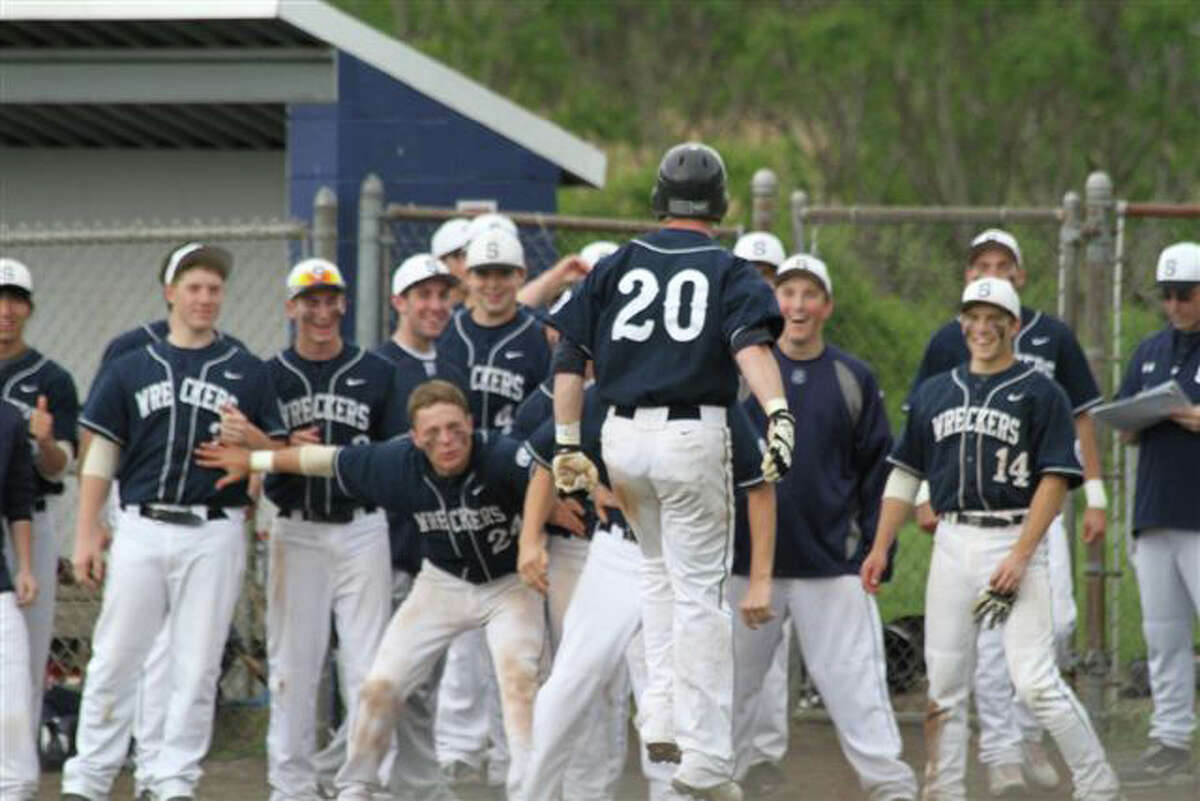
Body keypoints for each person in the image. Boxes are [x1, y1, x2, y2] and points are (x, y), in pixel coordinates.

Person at [549, 141, 793, 801]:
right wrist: (777, 410)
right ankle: (709, 756)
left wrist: (569, 441)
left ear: (659, 200)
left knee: (657, 574)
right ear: (721, 206)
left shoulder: (618, 262)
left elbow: (568, 353)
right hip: (692, 434)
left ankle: (658, 712)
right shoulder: (728, 268)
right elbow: (751, 346)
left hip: (621, 436)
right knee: (700, 597)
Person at [196, 379, 558, 801]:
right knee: (380, 686)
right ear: (414, 438)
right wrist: (256, 460)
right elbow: (322, 459)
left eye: (455, 428)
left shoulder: (496, 453)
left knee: (519, 686)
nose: (447, 441)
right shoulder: (397, 463)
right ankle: (357, 786)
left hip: (508, 585)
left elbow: (539, 471)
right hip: (443, 582)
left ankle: (531, 793)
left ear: (471, 424)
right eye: (433, 433)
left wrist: (540, 525)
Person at [861, 277, 1121, 801]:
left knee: (1035, 681)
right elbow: (905, 472)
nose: (982, 328)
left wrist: (1022, 556)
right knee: (946, 687)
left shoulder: (1042, 392)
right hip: (955, 542)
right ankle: (945, 790)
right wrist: (881, 543)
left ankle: (1099, 785)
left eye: (993, 318)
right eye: (973, 318)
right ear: (962, 324)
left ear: (1013, 327)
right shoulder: (936, 392)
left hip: (1014, 537)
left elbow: (1054, 479)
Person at [62, 243, 286, 801]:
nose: (206, 298)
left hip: (214, 527)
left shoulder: (247, 369)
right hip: (141, 523)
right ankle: (88, 779)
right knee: (116, 654)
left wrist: (251, 442)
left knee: (197, 663)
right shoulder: (131, 367)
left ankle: (172, 780)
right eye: (194, 287)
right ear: (170, 292)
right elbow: (101, 453)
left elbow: (273, 453)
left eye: (214, 288)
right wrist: (88, 530)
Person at [519, 383, 775, 801]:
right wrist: (531, 538)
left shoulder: (713, 396)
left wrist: (761, 578)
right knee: (569, 684)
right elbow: (550, 458)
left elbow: (760, 485)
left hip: (690, 564)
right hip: (618, 552)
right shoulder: (613, 386)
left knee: (675, 700)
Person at [731, 254, 917, 801]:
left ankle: (891, 787)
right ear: (774, 301)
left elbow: (875, 469)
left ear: (827, 306)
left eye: (810, 294)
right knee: (731, 687)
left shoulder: (851, 376)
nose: (797, 305)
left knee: (854, 684)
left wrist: (877, 546)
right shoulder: (747, 372)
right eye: (787, 293)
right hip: (749, 563)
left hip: (830, 562)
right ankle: (717, 782)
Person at [310, 252, 467, 801]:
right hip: (390, 545)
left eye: (441, 295)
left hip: (439, 547)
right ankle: (379, 778)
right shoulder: (378, 369)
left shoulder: (450, 367)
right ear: (398, 301)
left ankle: (348, 773)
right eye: (421, 295)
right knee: (390, 676)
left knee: (415, 680)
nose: (433, 305)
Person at [260, 258, 404, 801]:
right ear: (291, 307)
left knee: (367, 665)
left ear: (344, 304)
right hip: (295, 531)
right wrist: (281, 448)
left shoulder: (377, 373)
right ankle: (291, 784)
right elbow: (252, 451)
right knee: (293, 667)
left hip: (361, 529)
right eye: (309, 301)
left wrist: (330, 457)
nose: (321, 311)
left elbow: (395, 457)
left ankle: (365, 782)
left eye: (330, 300)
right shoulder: (268, 375)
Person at [436, 226, 552, 787]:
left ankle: (513, 757)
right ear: (467, 278)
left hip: (517, 490)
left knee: (520, 637)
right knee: (463, 626)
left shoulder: (535, 338)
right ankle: (459, 751)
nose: (493, 284)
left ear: (520, 277)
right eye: (483, 274)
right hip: (459, 489)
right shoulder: (452, 334)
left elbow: (541, 424)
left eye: (503, 273)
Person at [1113, 241, 1200, 788]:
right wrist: (1130, 419)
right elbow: (1122, 426)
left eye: (1185, 294)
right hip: (1155, 512)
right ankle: (1170, 740)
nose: (1174, 305)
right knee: (1163, 635)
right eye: (1166, 295)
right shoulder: (1149, 350)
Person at [0, 259, 79, 750]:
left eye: (16, 299)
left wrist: (46, 444)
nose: (6, 310)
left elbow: (60, 466)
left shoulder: (51, 378)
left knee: (24, 653)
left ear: (29, 308)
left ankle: (18, 767)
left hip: (30, 522)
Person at [0, 398, 38, 801]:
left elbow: (18, 500)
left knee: (12, 692)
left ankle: (14, 789)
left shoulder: (7, 417)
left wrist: (25, 567)